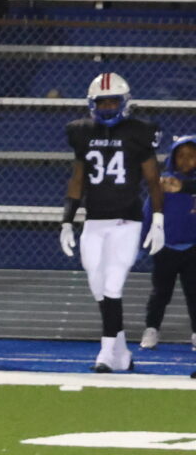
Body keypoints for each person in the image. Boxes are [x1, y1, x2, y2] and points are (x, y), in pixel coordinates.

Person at [60, 73, 162, 374]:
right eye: (101, 102)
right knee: (98, 287)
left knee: (113, 285)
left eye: (112, 102)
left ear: (124, 102)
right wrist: (67, 221)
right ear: (92, 103)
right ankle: (122, 352)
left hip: (127, 220)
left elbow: (153, 180)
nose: (106, 107)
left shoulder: (139, 132)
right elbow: (78, 179)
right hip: (94, 220)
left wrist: (158, 218)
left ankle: (105, 353)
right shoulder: (81, 132)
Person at [141, 134, 196, 354]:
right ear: (173, 157)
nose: (186, 160)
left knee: (194, 293)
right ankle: (152, 329)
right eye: (181, 155)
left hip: (193, 249)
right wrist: (141, 243)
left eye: (192, 156)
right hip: (166, 249)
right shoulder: (163, 183)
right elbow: (149, 212)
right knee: (161, 293)